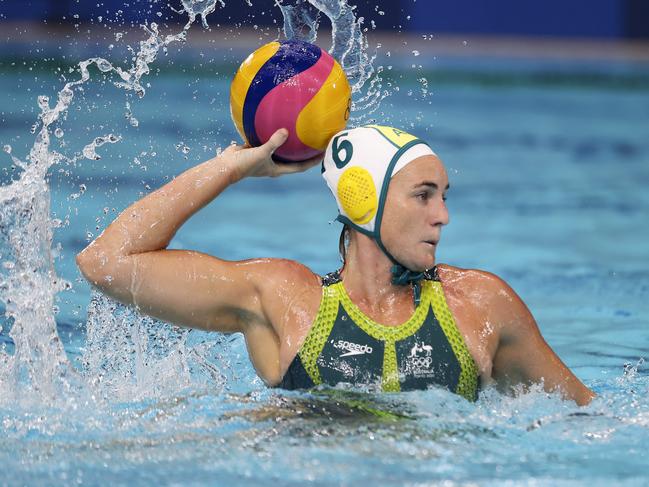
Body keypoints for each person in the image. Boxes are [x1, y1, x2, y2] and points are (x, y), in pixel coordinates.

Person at [76, 124, 595, 405]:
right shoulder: (284, 299)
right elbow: (105, 262)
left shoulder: (482, 305)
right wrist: (230, 168)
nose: (443, 216)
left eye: (443, 196)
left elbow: (584, 419)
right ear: (363, 199)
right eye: (423, 195)